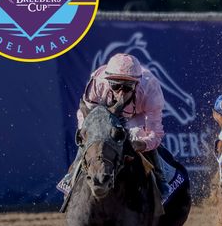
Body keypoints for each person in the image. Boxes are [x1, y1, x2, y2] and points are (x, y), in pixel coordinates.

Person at [60, 53, 172, 210]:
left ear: (137, 85)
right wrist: (88, 134)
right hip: (102, 112)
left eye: (127, 87)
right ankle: (70, 178)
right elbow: (87, 116)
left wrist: (141, 144)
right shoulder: (98, 82)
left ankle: (161, 181)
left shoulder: (150, 89)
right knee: (91, 138)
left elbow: (155, 133)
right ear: (107, 82)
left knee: (138, 134)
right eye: (115, 85)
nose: (121, 93)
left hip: (136, 116)